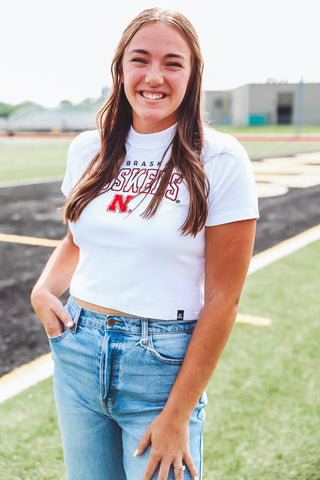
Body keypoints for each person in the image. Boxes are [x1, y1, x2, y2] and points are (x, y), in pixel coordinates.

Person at [31, 7, 259, 480]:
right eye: (141, 59)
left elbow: (223, 299)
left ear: (192, 74)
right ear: (120, 68)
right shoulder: (86, 149)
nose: (154, 76)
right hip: (79, 351)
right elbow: (77, 238)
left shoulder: (221, 159)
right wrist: (44, 289)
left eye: (173, 62)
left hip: (162, 368)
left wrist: (178, 415)